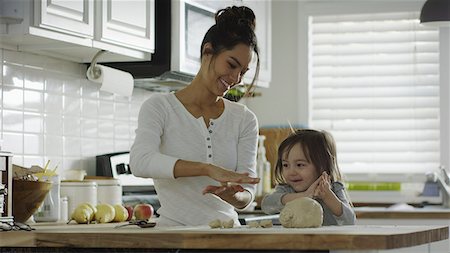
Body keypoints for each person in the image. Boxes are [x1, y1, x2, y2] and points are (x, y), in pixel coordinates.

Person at [130, 5, 261, 227]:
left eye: (243, 72)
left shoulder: (244, 119)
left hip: (228, 237)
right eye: (231, 65)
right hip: (173, 237)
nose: (236, 78)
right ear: (208, 51)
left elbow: (247, 194)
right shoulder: (159, 107)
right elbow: (140, 162)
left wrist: (233, 196)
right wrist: (206, 168)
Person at [261, 129, 356, 226]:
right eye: (286, 165)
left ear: (322, 166)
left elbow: (350, 221)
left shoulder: (334, 188)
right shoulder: (287, 190)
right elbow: (266, 205)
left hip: (328, 241)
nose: (291, 172)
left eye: (299, 165)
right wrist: (304, 195)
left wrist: (328, 196)